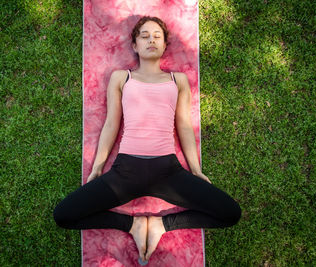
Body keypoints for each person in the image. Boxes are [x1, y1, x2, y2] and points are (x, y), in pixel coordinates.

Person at [53, 16, 241, 265]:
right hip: (125, 172)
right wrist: (98, 165)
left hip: (169, 173)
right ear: (135, 45)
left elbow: (184, 125)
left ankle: (163, 224)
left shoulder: (178, 80)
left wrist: (195, 170)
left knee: (230, 214)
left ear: (164, 45)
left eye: (157, 36)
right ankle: (133, 224)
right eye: (144, 36)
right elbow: (111, 123)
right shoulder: (122, 77)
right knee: (64, 216)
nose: (151, 40)